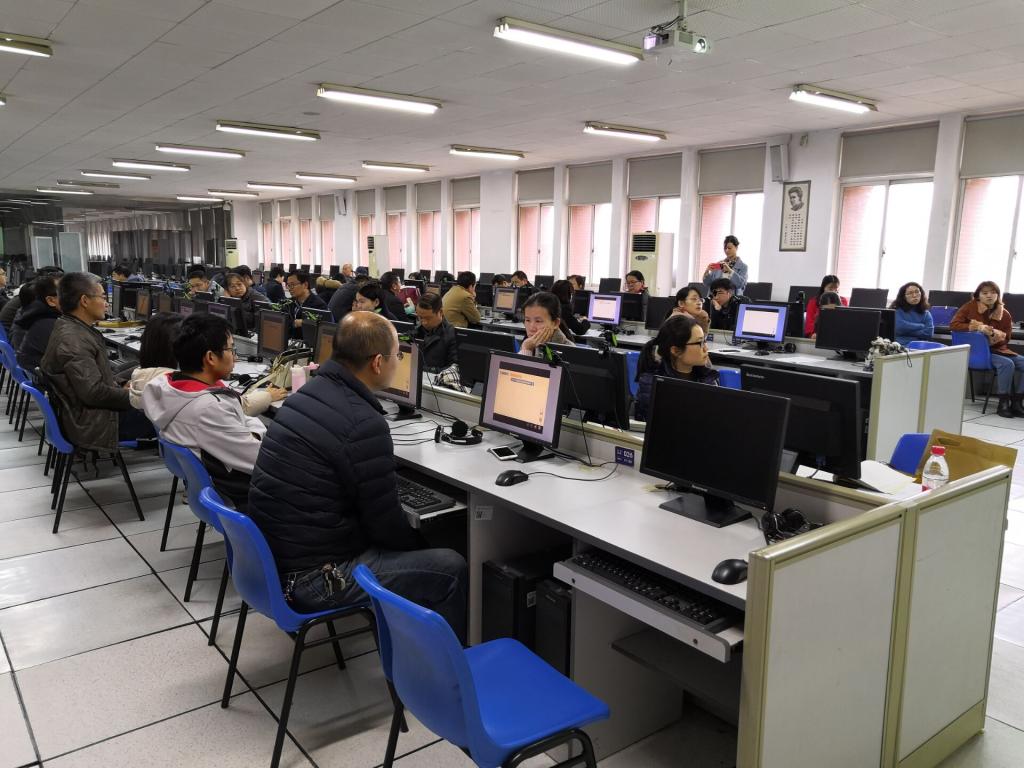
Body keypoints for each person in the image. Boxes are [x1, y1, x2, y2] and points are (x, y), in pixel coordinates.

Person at [247, 312, 468, 639]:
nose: (398, 363)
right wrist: (425, 546)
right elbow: (385, 524)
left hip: (272, 563)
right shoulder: (362, 422)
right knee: (450, 565)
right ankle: (445, 665)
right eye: (397, 356)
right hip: (314, 580)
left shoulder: (307, 393)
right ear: (378, 363)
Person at [142, 314, 266, 511]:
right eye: (230, 349)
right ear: (210, 357)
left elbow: (241, 421)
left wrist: (245, 424)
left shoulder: (167, 388)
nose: (235, 357)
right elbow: (260, 459)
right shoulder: (209, 409)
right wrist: (258, 429)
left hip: (211, 489)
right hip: (243, 498)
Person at [41, 272, 155, 450]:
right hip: (97, 423)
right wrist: (137, 397)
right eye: (103, 297)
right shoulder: (73, 340)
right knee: (171, 408)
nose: (106, 303)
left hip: (86, 416)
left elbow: (93, 380)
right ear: (85, 301)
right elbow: (93, 393)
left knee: (144, 373)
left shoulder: (70, 327)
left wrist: (121, 384)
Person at [130, 312, 284, 414]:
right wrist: (267, 395)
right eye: (230, 349)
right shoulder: (206, 400)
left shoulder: (151, 379)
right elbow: (242, 407)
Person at [951, 281, 1024, 418]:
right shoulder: (969, 307)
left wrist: (995, 335)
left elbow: (1007, 338)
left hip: (998, 350)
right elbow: (954, 325)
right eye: (985, 293)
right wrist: (977, 327)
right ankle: (1003, 403)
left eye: (993, 293)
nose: (989, 296)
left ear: (998, 295)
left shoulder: (1005, 314)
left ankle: (1017, 402)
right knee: (1007, 364)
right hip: (977, 352)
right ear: (978, 295)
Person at [634, 314, 719, 421]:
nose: (706, 348)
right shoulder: (653, 383)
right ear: (675, 351)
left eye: (704, 341)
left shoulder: (708, 379)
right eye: (700, 343)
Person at [15, 274, 61, 372]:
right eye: (67, 293)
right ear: (50, 300)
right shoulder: (48, 324)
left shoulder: (35, 314)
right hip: (46, 377)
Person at [413, 292, 457, 373]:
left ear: (441, 312)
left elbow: (453, 368)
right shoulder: (417, 331)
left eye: (428, 318)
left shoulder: (452, 335)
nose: (424, 322)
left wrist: (426, 370)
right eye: (420, 317)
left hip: (437, 378)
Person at [520, 292, 571, 356]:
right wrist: (526, 348)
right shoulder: (529, 343)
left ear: (555, 323)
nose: (531, 328)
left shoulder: (570, 352)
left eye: (538, 321)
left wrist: (526, 349)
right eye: (527, 320)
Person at [285, 271, 327, 338]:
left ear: (305, 285)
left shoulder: (319, 306)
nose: (289, 288)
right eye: (288, 285)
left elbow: (323, 328)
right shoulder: (289, 303)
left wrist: (304, 322)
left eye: (292, 285)